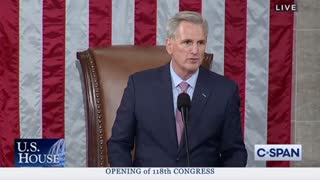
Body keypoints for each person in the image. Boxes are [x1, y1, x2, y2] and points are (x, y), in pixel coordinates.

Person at [107, 11, 247, 167]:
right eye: (187, 42)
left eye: (200, 43)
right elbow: (118, 145)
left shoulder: (224, 91)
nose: (195, 51)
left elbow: (234, 153)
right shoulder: (139, 86)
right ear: (170, 46)